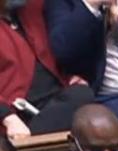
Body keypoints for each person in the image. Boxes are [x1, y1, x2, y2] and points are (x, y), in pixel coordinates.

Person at [0, 0, 95, 138]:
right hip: (13, 108)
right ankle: (25, 145)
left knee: (83, 95)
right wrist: (7, 117)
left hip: (53, 99)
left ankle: (27, 142)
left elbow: (51, 52)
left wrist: (68, 77)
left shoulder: (31, 10)